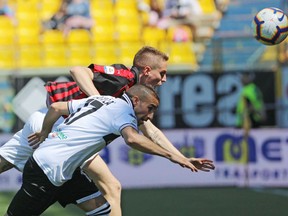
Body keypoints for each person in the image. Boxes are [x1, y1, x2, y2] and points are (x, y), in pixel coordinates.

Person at [0, 46, 214, 216]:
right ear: (147, 70)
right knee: (112, 187)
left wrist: (181, 157)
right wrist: (98, 100)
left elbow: (152, 131)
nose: (164, 79)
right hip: (60, 130)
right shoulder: (124, 77)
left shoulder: (132, 99)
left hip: (46, 121)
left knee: (5, 162)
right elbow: (77, 70)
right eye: (163, 73)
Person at [1, 108, 111, 216]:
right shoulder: (117, 108)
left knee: (101, 208)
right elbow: (129, 138)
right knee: (111, 190)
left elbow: (56, 106)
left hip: (46, 117)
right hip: (62, 129)